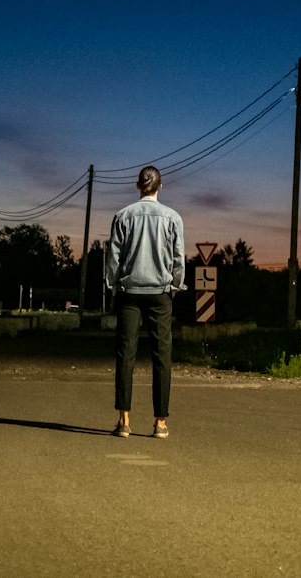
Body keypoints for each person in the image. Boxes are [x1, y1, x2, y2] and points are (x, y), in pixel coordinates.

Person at [104, 165, 186, 438]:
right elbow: (178, 258)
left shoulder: (123, 216)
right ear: (160, 187)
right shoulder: (173, 217)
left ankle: (124, 420)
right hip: (160, 294)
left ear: (138, 186)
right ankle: (160, 422)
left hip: (129, 293)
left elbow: (113, 257)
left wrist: (113, 284)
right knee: (162, 357)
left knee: (125, 355)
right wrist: (173, 286)